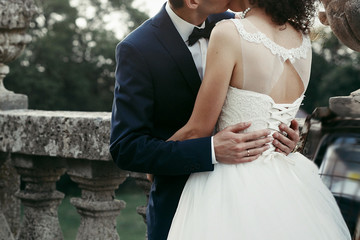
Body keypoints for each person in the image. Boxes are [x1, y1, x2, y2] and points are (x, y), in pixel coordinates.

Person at [110, 0, 301, 239]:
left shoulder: (239, 26)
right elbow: (126, 147)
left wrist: (284, 137)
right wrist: (209, 149)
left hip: (250, 202)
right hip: (179, 205)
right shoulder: (137, 48)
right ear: (192, 1)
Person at [166, 0, 352, 239]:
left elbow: (197, 131)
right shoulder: (303, 40)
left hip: (232, 183)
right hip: (290, 185)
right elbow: (287, 119)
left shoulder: (229, 32)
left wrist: (155, 164)